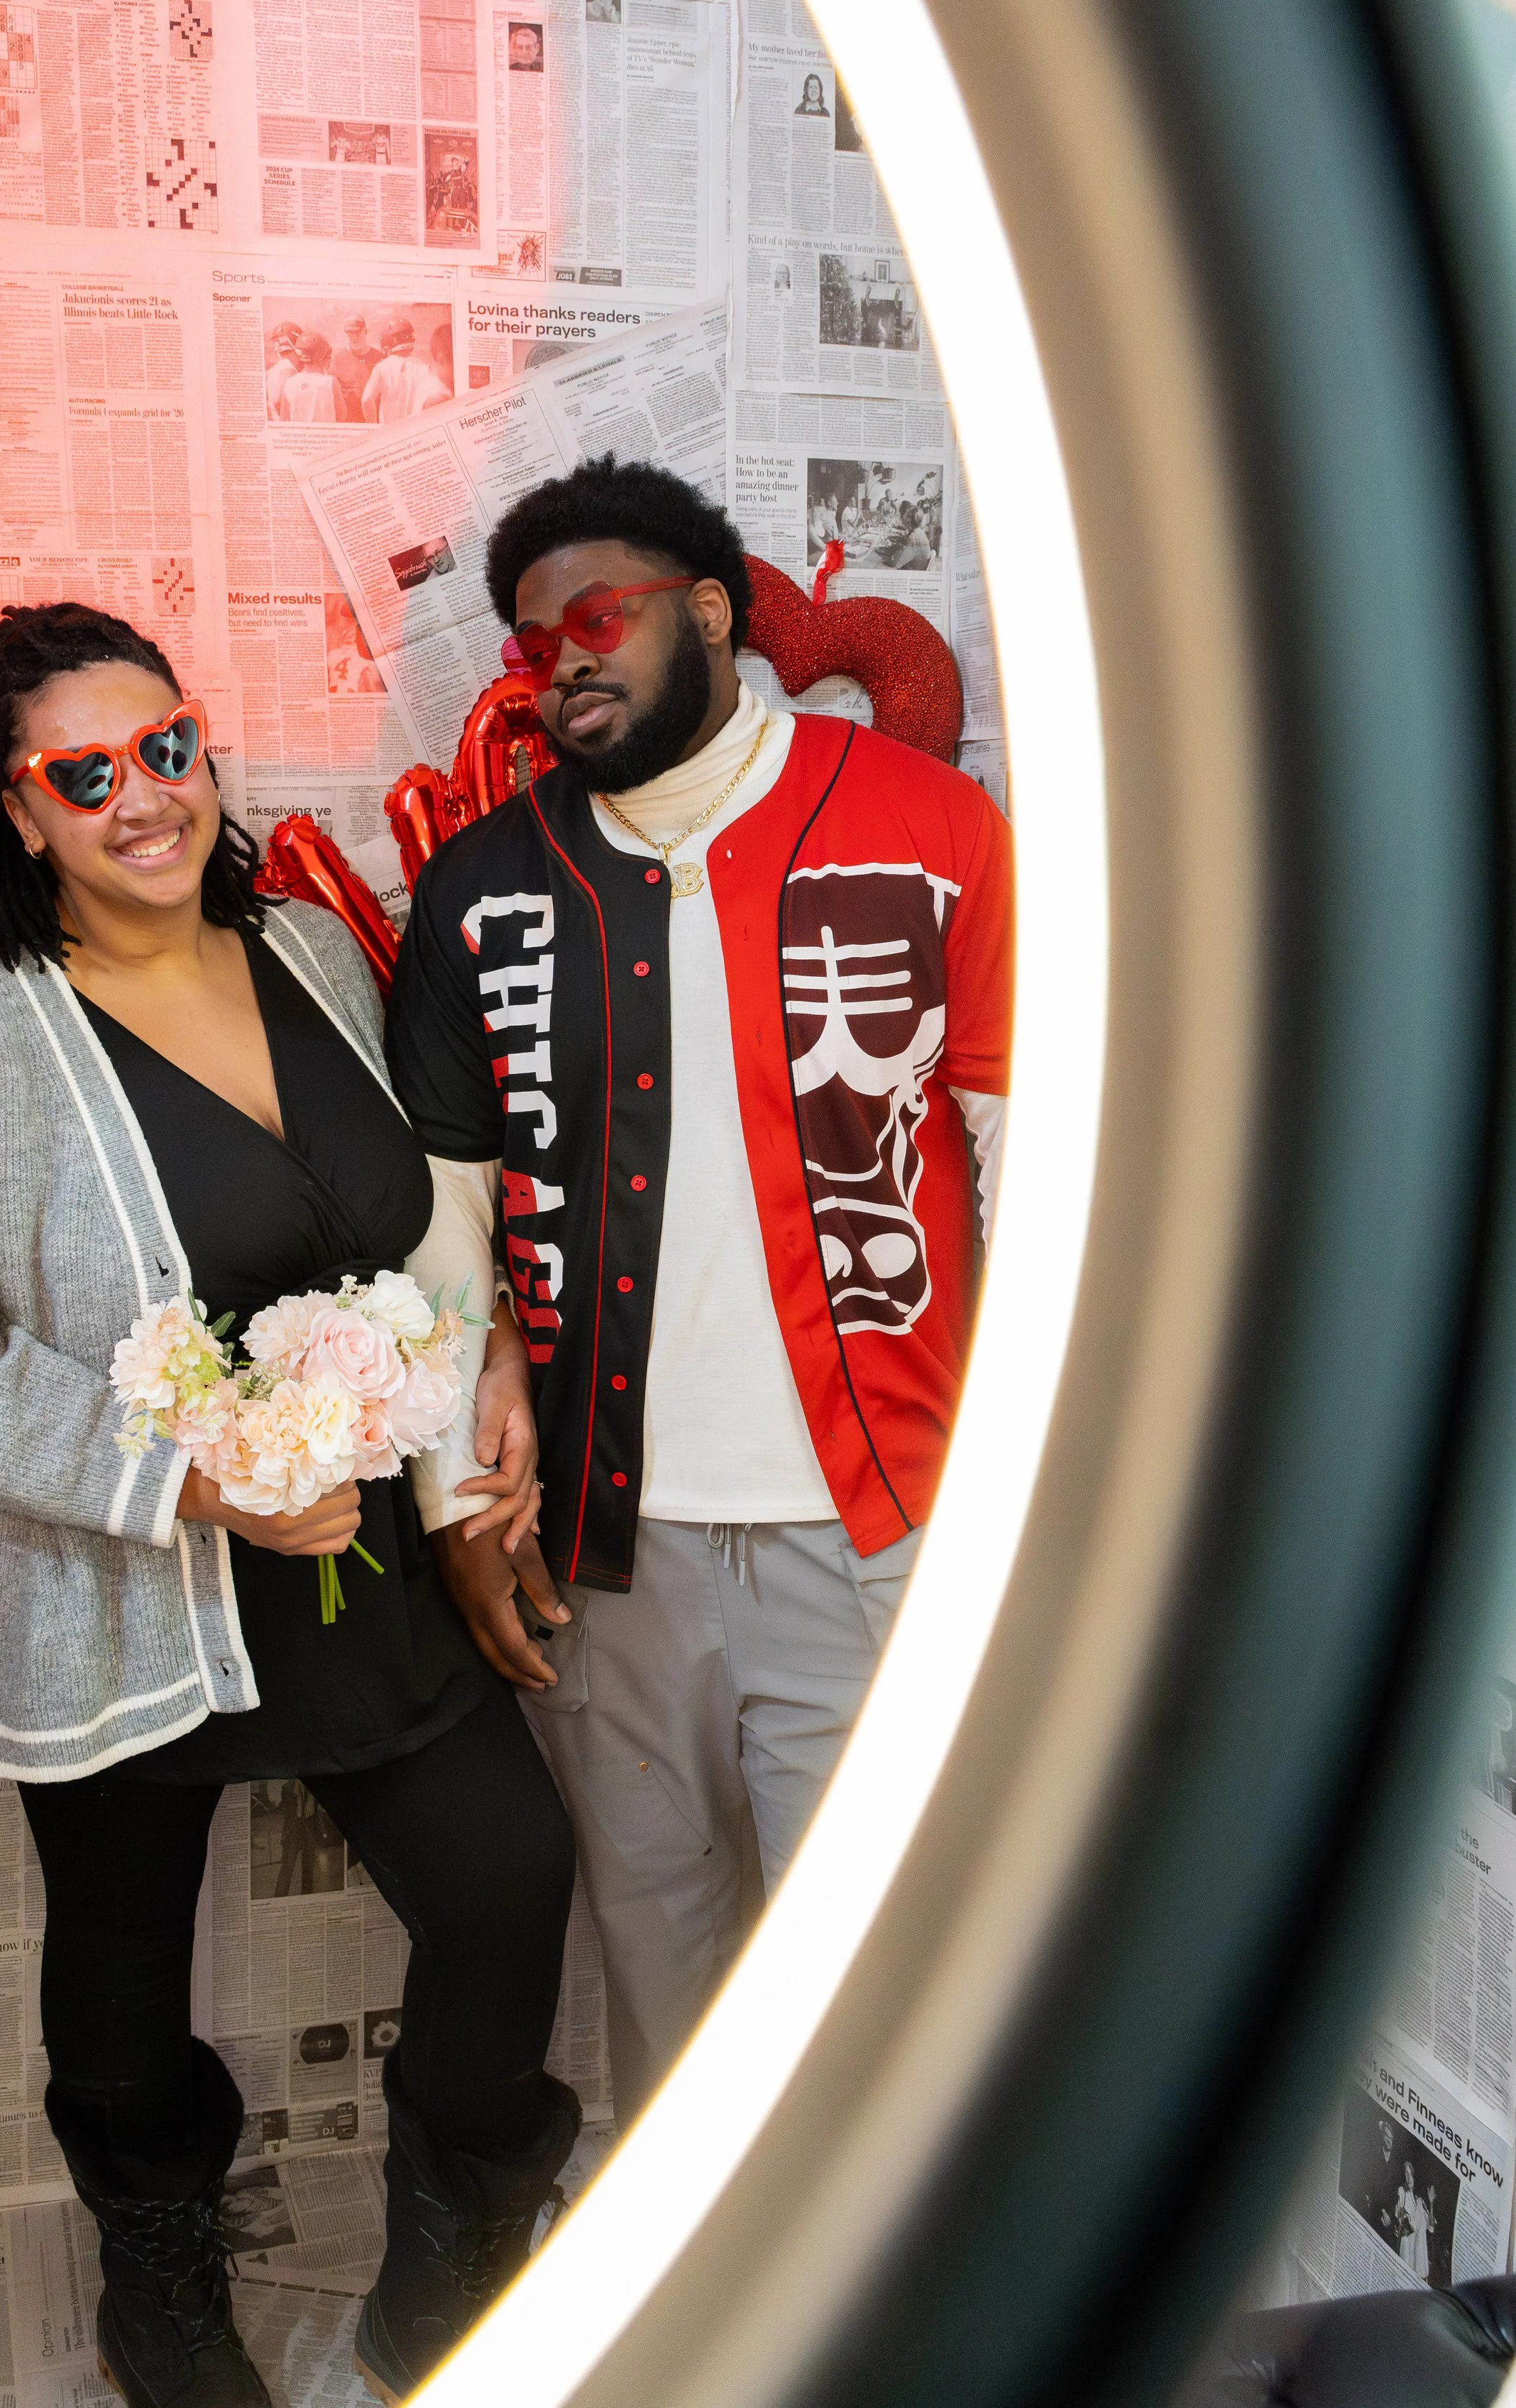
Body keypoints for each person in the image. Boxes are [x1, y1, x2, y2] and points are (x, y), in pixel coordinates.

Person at [0, 602, 579, 2408]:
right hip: (120, 1588)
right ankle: (157, 2290)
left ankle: (448, 2268)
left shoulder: (322, 952)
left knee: (508, 1880)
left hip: (358, 1554)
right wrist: (191, 1479)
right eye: (82, 773)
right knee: (117, 1984)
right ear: (17, 810)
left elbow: (424, 1229)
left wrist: (476, 1398)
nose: (143, 796)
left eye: (165, 745)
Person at [387, 457, 1013, 2120]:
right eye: (532, 643)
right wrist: (460, 1497)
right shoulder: (481, 890)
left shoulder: (927, 824)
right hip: (608, 1548)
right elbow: (442, 1231)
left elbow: (1026, 1154)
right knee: (664, 1985)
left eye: (598, 615)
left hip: (874, 1525)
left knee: (876, 1999)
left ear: (715, 609)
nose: (560, 661)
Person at [361, 319, 452, 425]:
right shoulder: (424, 367)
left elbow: (366, 400)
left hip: (389, 432)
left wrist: (372, 427)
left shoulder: (382, 368)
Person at [281, 329, 337, 423]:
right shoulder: (332, 382)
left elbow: (284, 420)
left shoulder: (288, 384)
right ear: (321, 356)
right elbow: (342, 415)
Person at [331, 314, 380, 422]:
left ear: (365, 331)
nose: (354, 338)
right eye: (350, 334)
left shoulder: (379, 358)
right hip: (349, 423)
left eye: (357, 332)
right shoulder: (337, 359)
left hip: (374, 421)